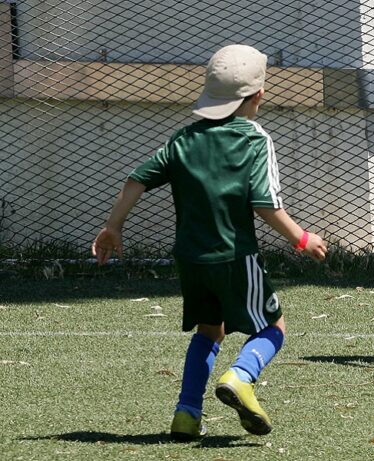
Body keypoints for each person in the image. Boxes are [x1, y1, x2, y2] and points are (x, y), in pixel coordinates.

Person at [91, 44, 327, 440]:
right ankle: (241, 376)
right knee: (273, 328)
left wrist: (113, 227)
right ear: (259, 96)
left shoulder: (183, 139)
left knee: (209, 331)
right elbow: (264, 204)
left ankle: (186, 414)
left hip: (190, 259)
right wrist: (302, 238)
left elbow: (137, 179)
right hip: (234, 256)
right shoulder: (254, 139)